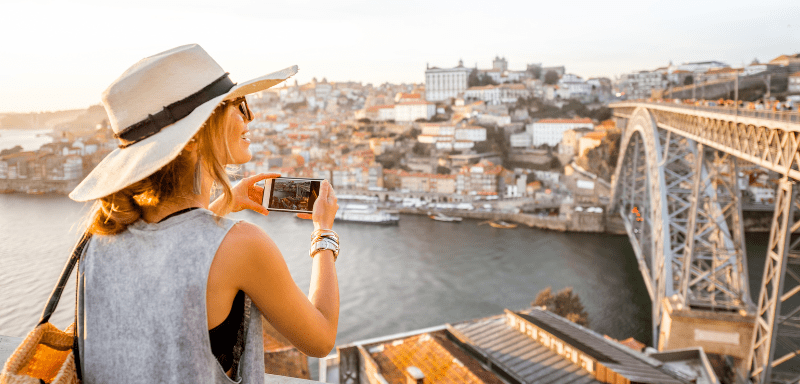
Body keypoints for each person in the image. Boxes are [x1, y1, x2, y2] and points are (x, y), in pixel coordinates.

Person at [69, 44, 340, 383]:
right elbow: (321, 338)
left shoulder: (99, 238)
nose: (247, 117)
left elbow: (175, 260)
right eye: (238, 106)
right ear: (197, 134)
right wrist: (323, 232)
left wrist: (224, 203)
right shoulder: (242, 245)